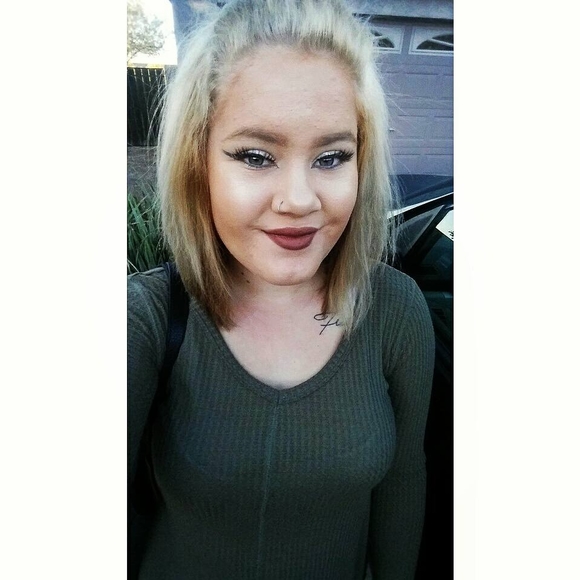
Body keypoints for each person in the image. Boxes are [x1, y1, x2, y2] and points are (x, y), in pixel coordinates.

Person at [128, 0, 435, 578]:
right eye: (256, 156)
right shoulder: (142, 322)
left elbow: (403, 484)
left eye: (331, 157)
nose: (298, 200)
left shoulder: (396, 311)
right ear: (198, 161)